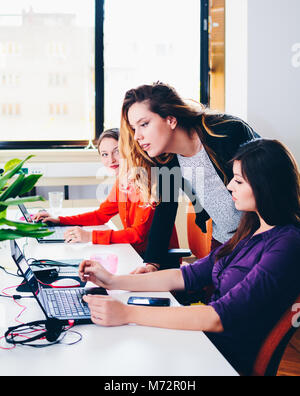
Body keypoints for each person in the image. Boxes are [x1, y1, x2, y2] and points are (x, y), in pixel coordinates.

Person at [79, 139, 300, 375]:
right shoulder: (251, 227)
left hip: (222, 357)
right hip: (205, 340)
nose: (229, 187)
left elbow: (219, 317)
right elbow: (186, 275)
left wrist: (127, 313)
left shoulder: (287, 243)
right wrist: (113, 280)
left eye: (238, 180)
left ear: (265, 185)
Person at [118, 82, 259, 273]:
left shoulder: (226, 131)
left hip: (258, 238)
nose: (137, 137)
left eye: (144, 124)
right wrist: (151, 263)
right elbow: (165, 209)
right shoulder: (166, 158)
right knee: (216, 297)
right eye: (134, 128)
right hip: (223, 241)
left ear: (171, 120)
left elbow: (269, 185)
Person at [34, 128, 179, 258]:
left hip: (155, 260)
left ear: (129, 150)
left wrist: (90, 236)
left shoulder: (148, 184)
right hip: (134, 253)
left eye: (117, 151)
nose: (111, 160)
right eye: (104, 154)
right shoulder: (123, 180)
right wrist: (60, 219)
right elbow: (101, 215)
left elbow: (137, 235)